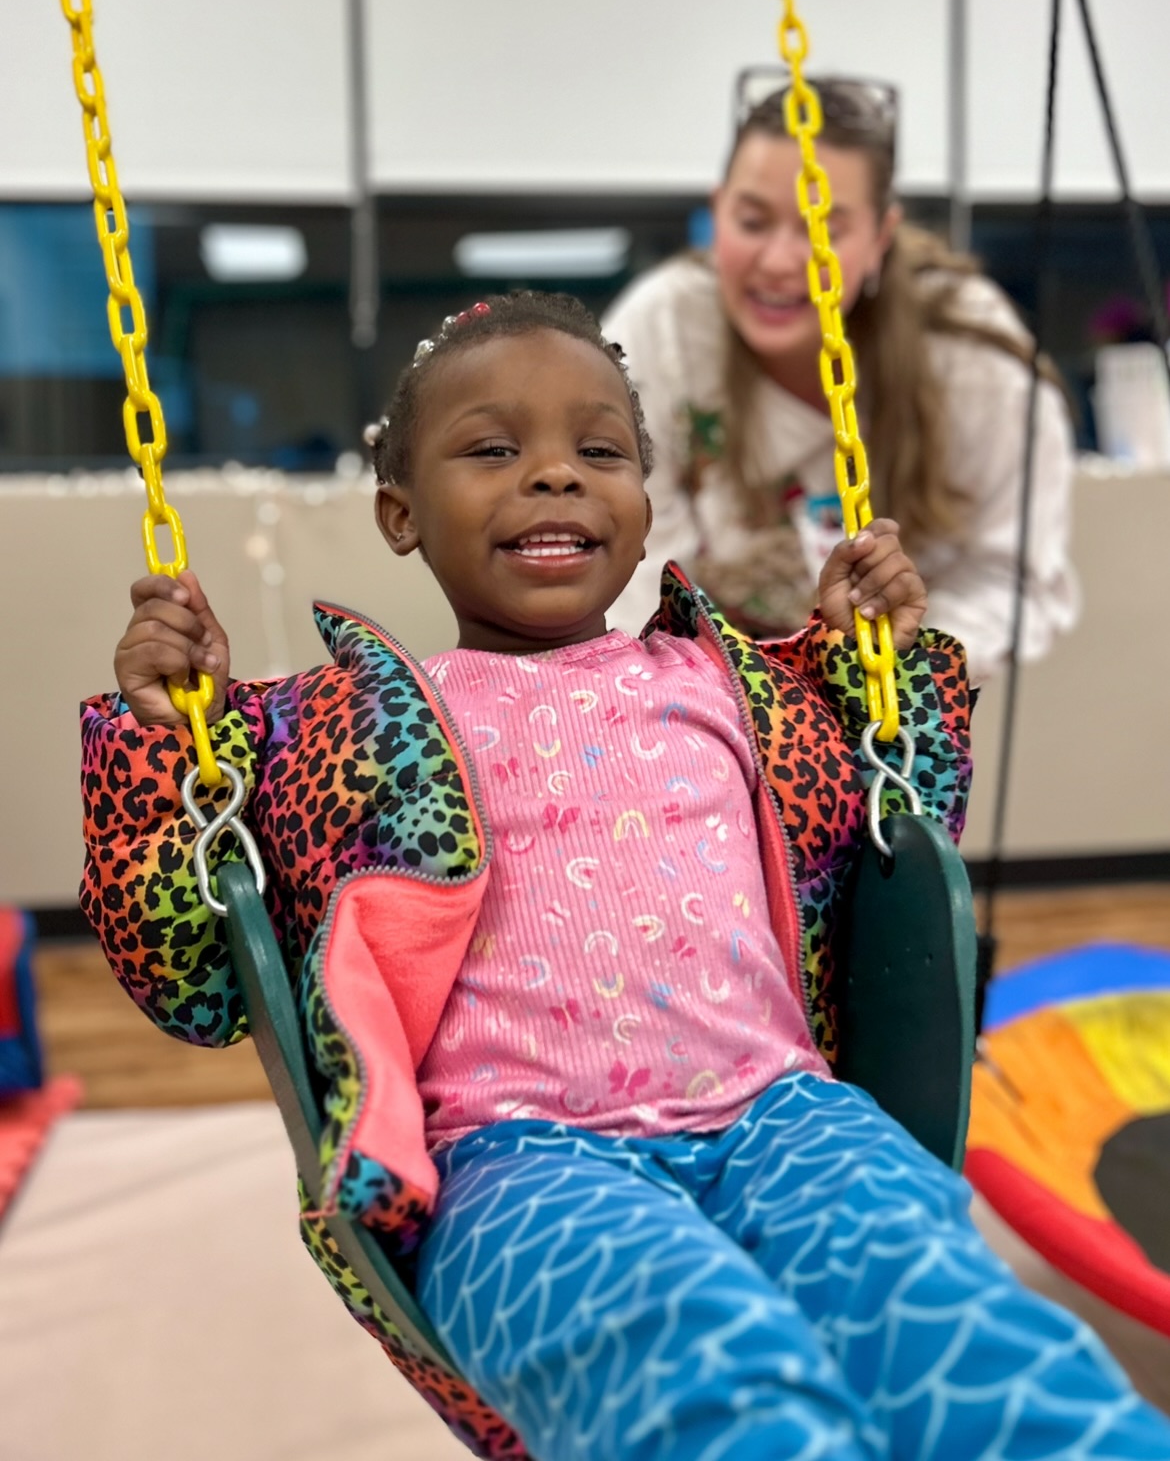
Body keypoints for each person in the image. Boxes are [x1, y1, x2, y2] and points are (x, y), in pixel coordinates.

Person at [81, 294, 1168, 1461]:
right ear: (400, 512)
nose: (554, 477)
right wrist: (162, 736)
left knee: (969, 1334)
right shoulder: (344, 727)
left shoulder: (734, 683)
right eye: (494, 449)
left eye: (599, 451)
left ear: (645, 499)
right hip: (519, 1160)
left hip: (785, 1116)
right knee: (705, 1371)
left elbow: (901, 843)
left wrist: (882, 671)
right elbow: (191, 979)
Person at [603, 78, 1079, 685]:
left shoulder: (969, 357)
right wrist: (712, 698)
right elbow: (627, 563)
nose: (778, 260)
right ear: (717, 208)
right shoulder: (662, 329)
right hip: (703, 710)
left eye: (820, 228)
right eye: (751, 220)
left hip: (884, 710)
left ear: (881, 236)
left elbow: (1012, 577)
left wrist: (880, 673)